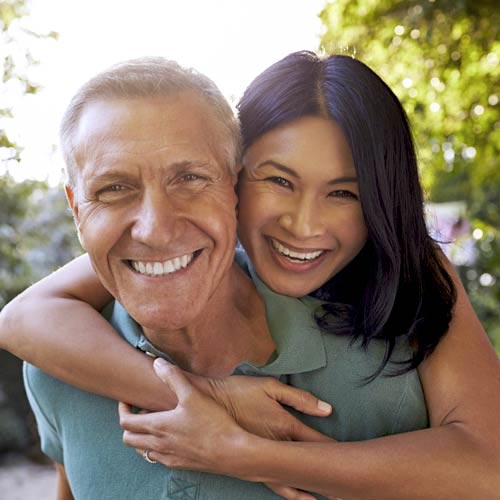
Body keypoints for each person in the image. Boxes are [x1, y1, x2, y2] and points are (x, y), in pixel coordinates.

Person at [1, 52, 499, 499]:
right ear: (238, 179)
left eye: (344, 193)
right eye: (279, 180)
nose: (304, 225)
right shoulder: (65, 365)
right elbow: (22, 316)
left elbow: (488, 468)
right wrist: (207, 397)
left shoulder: (410, 286)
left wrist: (245, 453)